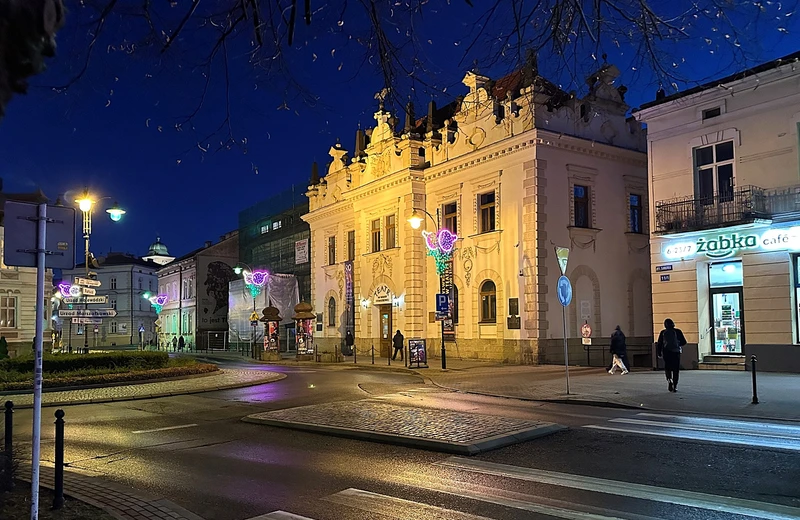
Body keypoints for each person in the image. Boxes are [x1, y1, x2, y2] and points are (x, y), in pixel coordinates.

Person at [656, 318, 687, 393]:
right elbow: (684, 342)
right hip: (676, 352)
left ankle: (669, 379)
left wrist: (659, 353)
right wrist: (677, 344)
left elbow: (659, 343)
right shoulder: (678, 331)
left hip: (666, 353)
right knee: (676, 369)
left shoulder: (663, 332)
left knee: (667, 368)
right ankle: (675, 386)